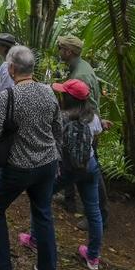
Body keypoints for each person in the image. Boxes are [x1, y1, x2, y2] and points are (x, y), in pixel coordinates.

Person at [0, 45, 62, 270]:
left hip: (19, 166)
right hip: (47, 162)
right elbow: (58, 128)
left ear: (12, 69)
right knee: (43, 213)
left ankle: (3, 269)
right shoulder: (48, 93)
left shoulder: (8, 96)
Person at [19, 79, 103, 270]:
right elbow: (95, 138)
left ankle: (35, 238)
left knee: (40, 198)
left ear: (68, 98)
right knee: (93, 210)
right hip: (89, 165)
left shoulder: (61, 117)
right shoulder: (93, 118)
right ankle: (93, 257)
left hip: (67, 169)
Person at [56, 35, 108, 225]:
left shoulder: (80, 74)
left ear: (68, 52)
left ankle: (99, 214)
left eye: (61, 48)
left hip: (84, 127)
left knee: (88, 168)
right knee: (71, 162)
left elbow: (87, 103)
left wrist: (91, 124)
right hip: (84, 125)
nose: (59, 52)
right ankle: (70, 200)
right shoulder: (79, 67)